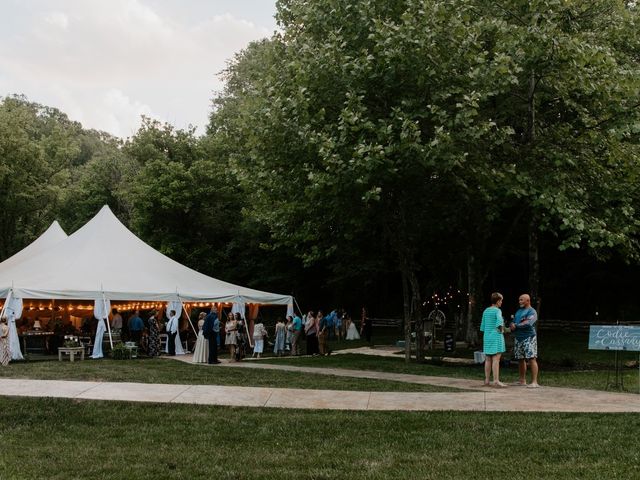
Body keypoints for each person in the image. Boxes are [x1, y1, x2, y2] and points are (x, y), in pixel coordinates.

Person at [509, 294, 540, 388]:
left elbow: (529, 323)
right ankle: (522, 381)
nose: (520, 302)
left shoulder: (532, 311)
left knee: (532, 358)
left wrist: (516, 325)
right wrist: (512, 324)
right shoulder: (519, 311)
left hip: (529, 337)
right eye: (519, 300)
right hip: (518, 338)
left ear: (528, 300)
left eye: (522, 300)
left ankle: (535, 382)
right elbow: (514, 321)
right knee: (520, 359)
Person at [480, 292, 506, 388]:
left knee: (487, 359)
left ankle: (487, 380)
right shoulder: (497, 311)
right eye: (501, 301)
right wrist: (502, 330)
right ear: (498, 301)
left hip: (487, 336)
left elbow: (482, 326)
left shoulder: (486, 311)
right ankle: (496, 380)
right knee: (496, 359)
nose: (501, 302)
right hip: (496, 336)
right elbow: (499, 322)